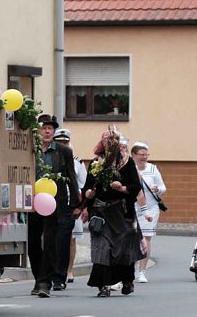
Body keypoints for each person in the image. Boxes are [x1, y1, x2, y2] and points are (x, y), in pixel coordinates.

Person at [81, 127, 143, 297]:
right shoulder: (96, 162)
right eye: (107, 140)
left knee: (123, 249)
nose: (110, 143)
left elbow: (136, 186)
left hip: (121, 212)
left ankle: (127, 281)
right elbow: (87, 186)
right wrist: (88, 195)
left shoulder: (126, 161)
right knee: (101, 248)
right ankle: (103, 285)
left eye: (113, 140)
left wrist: (122, 188)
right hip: (100, 212)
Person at [28, 115, 80, 298]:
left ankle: (45, 282)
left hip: (53, 203)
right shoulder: (29, 150)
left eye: (50, 128)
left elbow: (71, 177)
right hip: (31, 202)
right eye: (44, 128)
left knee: (50, 242)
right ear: (37, 131)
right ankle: (38, 278)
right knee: (32, 243)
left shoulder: (63, 151)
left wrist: (75, 204)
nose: (47, 131)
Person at [53, 128, 86, 283]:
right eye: (59, 142)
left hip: (70, 204)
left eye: (65, 142)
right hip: (51, 203)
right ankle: (52, 271)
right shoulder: (48, 158)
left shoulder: (77, 162)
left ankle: (67, 271)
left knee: (69, 239)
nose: (62, 145)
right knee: (50, 239)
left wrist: (80, 206)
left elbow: (81, 185)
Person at [131, 141, 167, 283]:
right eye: (141, 154)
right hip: (133, 207)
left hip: (151, 207)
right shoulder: (129, 168)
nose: (144, 157)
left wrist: (157, 189)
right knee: (132, 238)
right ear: (133, 155)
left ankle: (142, 271)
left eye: (146, 154)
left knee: (146, 237)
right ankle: (131, 269)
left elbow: (163, 187)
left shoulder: (152, 169)